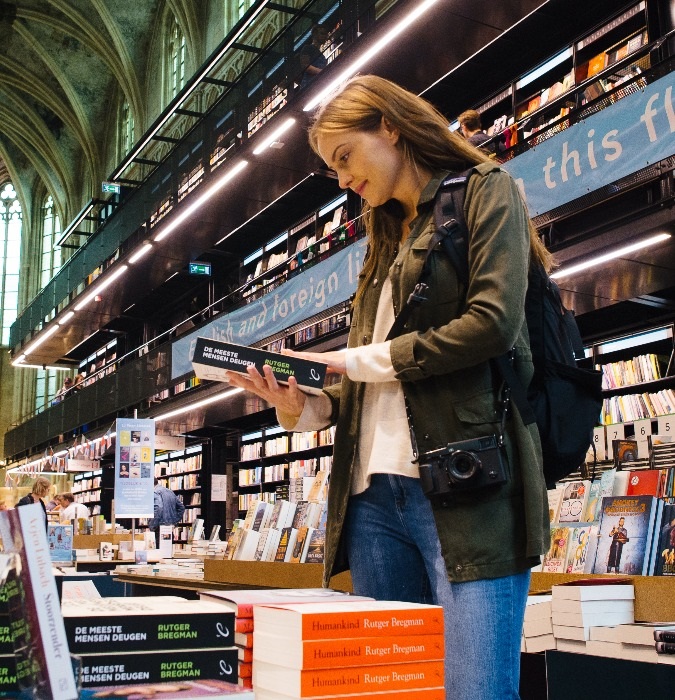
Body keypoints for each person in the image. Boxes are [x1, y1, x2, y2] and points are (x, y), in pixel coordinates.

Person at [224, 75, 550, 700]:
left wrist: (357, 362)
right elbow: (368, 388)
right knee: (388, 690)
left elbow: (492, 325)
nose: (343, 182)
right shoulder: (382, 241)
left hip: (468, 492)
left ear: (390, 127)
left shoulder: (489, 192)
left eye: (345, 157)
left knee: (475, 691)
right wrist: (305, 406)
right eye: (332, 171)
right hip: (373, 503)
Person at [148, 478, 185, 546]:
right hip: (169, 527)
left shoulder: (155, 492)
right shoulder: (170, 491)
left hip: (159, 527)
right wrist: (175, 520)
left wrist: (152, 525)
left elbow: (158, 508)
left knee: (158, 553)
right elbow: (181, 507)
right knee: (168, 552)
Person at [298, 24, 329, 89]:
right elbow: (305, 66)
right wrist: (322, 72)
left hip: (318, 84)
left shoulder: (321, 54)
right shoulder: (307, 48)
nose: (325, 36)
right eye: (322, 33)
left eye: (325, 34)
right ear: (315, 35)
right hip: (309, 85)